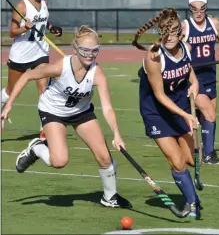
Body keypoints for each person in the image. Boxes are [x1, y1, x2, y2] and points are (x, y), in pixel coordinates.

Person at [1, 25, 132, 209]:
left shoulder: (97, 73)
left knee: (105, 157)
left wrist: (117, 134)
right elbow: (28, 76)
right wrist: (8, 105)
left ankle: (110, 197)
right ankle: (37, 148)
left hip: (82, 112)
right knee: (59, 161)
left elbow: (107, 108)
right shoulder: (60, 67)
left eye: (95, 50)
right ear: (76, 49)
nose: (90, 54)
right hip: (52, 111)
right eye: (85, 50)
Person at [132, 8, 201, 218]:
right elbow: (160, 96)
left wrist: (195, 85)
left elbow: (191, 73)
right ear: (160, 32)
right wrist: (187, 115)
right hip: (156, 113)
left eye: (174, 32)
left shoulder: (187, 48)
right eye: (165, 32)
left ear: (181, 32)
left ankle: (191, 196)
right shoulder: (154, 57)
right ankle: (192, 203)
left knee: (191, 159)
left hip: (179, 106)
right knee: (177, 161)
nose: (169, 37)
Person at [1, 0, 62, 139]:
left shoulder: (44, 2)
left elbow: (43, 20)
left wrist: (51, 28)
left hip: (40, 52)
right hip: (21, 55)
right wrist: (25, 28)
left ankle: (45, 130)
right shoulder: (21, 6)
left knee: (44, 91)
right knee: (10, 91)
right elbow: (12, 32)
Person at [181, 0, 219, 165]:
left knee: (208, 118)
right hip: (193, 78)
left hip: (210, 75)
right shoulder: (185, 27)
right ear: (189, 8)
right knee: (209, 114)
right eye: (194, 9)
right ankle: (209, 154)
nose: (198, 12)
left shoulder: (214, 23)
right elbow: (173, 47)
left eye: (202, 8)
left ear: (206, 8)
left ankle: (200, 150)